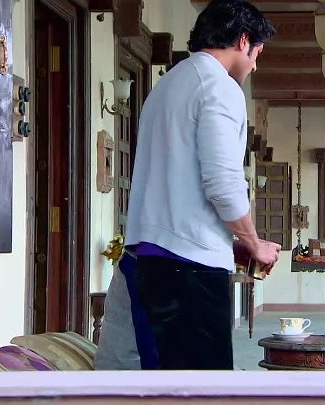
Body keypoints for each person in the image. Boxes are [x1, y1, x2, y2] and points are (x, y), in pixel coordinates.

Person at [94, 0, 280, 370]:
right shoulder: (220, 87)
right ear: (244, 40)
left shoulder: (167, 85)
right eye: (257, 53)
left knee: (148, 382)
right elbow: (223, 183)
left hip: (143, 259)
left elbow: (180, 186)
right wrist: (253, 242)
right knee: (199, 389)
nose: (255, 65)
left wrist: (233, 242)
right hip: (187, 272)